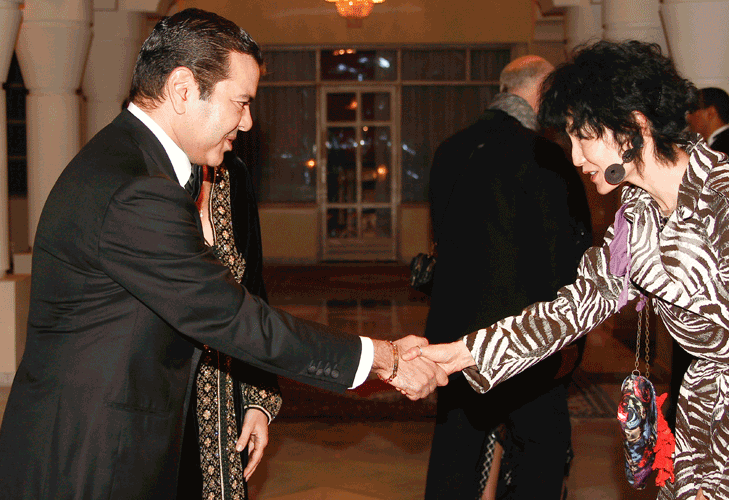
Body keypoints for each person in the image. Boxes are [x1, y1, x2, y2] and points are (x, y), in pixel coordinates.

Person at [0, 9, 446, 500]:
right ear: (183, 88)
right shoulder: (137, 189)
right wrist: (381, 358)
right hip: (91, 460)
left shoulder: (131, 161)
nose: (249, 122)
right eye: (241, 102)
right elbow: (231, 316)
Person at [410, 40, 729, 500]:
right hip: (701, 427)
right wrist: (467, 352)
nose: (575, 157)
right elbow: (583, 300)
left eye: (582, 136)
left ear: (632, 129)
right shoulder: (637, 209)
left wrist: (724, 485)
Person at [423, 55, 592, 500]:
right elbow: (568, 254)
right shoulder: (546, 156)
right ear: (540, 93)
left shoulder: (451, 148)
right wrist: (571, 338)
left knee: (455, 456)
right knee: (541, 454)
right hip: (525, 338)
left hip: (455, 334)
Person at [177, 153, 282, 498]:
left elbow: (253, 293)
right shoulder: (148, 172)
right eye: (239, 103)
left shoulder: (232, 173)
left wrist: (257, 399)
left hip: (224, 398)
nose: (246, 122)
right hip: (157, 404)